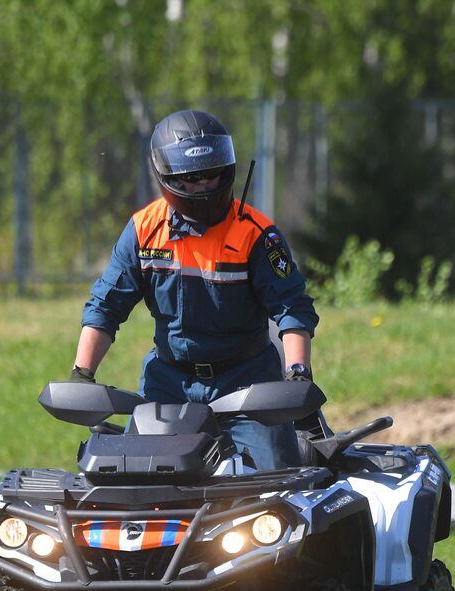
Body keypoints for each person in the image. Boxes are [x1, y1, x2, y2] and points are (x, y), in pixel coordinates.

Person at [70, 109, 318, 470]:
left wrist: (297, 373)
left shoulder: (256, 233)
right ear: (168, 176)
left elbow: (292, 307)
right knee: (137, 480)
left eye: (212, 174)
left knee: (275, 485)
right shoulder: (143, 230)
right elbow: (106, 305)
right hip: (168, 383)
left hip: (249, 385)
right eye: (192, 178)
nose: (205, 185)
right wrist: (82, 374)